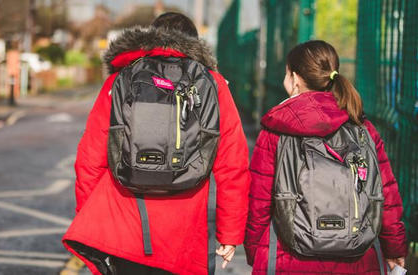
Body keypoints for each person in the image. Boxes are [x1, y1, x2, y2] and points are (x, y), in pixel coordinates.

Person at [62, 12, 251, 275]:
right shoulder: (213, 84)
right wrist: (229, 232)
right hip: (187, 236)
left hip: (126, 231)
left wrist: (92, 222)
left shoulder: (120, 81)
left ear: (150, 38)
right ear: (194, 44)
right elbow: (233, 165)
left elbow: (90, 160)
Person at [244, 40, 407, 274]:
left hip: (288, 258)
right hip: (357, 258)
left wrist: (255, 252)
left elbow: (259, 202)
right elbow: (385, 194)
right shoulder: (363, 129)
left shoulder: (276, 130)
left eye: (286, 73)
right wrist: (394, 248)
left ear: (296, 78)